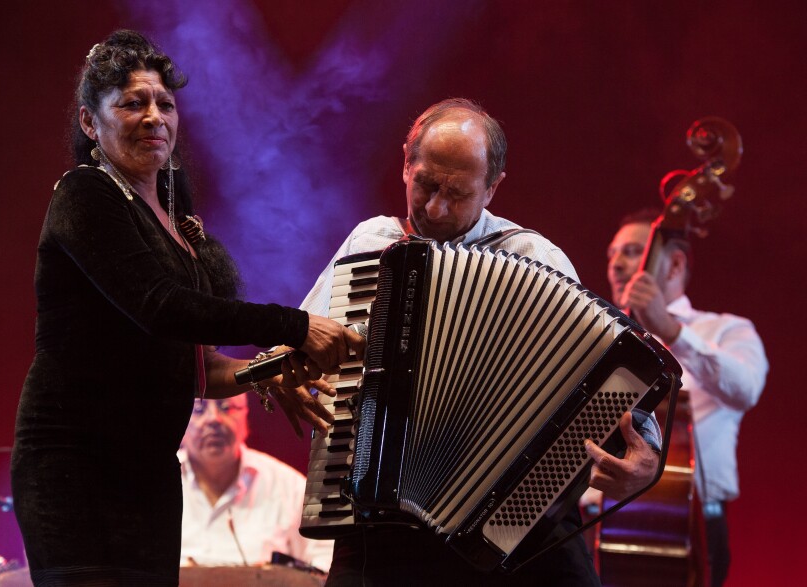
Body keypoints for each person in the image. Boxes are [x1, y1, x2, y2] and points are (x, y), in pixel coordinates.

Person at [10, 30, 362, 586]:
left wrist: (265, 371)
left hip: (148, 472)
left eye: (165, 104)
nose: (155, 117)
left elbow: (193, 366)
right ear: (88, 123)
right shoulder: (84, 194)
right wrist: (294, 326)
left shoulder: (173, 223)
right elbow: (161, 307)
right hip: (76, 467)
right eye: (133, 103)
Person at [297, 98, 662, 586]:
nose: (434, 207)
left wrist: (645, 457)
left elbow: (602, 370)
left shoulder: (532, 256)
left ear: (492, 189)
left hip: (517, 523)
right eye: (425, 184)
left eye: (458, 193)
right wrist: (294, 366)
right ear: (406, 163)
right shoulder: (369, 244)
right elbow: (303, 339)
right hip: (382, 520)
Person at [606, 208, 768, 586]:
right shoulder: (605, 341)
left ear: (675, 264)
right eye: (611, 254)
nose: (616, 265)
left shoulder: (727, 330)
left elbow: (746, 387)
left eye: (631, 252)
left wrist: (671, 332)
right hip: (603, 522)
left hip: (690, 523)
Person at [178, 395, 334, 571]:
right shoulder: (153, 484)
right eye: (199, 409)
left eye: (226, 408)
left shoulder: (291, 488)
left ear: (245, 418)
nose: (214, 419)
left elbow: (325, 563)